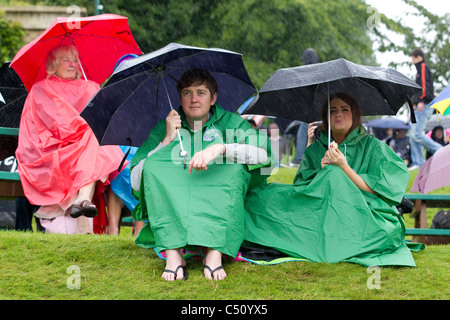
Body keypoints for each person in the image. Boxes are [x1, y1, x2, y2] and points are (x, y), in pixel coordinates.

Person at [244, 92, 419, 267]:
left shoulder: (373, 146)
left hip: (363, 212)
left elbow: (381, 189)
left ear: (355, 114)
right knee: (259, 196)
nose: (338, 114)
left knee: (334, 175)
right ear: (326, 118)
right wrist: (321, 174)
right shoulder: (316, 149)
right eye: (332, 111)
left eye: (345, 109)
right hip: (318, 211)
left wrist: (344, 168)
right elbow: (301, 192)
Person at [130, 68, 273, 281]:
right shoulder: (166, 126)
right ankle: (173, 254)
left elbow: (264, 157)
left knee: (233, 167)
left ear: (213, 98)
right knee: (154, 165)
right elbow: (137, 180)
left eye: (201, 92)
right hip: (178, 202)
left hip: (217, 197)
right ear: (179, 98)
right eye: (187, 93)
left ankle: (214, 253)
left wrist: (221, 149)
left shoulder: (232, 122)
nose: (194, 99)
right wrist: (166, 141)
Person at [15, 44, 126, 234]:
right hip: (50, 150)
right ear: (53, 64)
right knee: (94, 139)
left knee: (95, 139)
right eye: (66, 59)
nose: (73, 64)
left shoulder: (89, 87)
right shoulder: (42, 88)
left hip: (82, 152)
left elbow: (103, 118)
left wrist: (95, 93)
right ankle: (83, 203)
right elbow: (61, 125)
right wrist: (86, 128)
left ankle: (82, 200)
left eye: (76, 60)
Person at [284, 48, 320, 167]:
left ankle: (299, 159)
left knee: (303, 132)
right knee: (312, 133)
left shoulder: (305, 72)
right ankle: (306, 159)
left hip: (310, 108)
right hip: (318, 108)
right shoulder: (320, 71)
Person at [409, 48, 442, 170]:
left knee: (417, 133)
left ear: (419, 57)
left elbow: (424, 86)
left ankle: (441, 151)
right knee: (412, 135)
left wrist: (421, 100)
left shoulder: (422, 67)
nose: (412, 60)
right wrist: (414, 103)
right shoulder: (418, 70)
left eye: (413, 57)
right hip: (419, 105)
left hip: (424, 104)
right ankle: (419, 163)